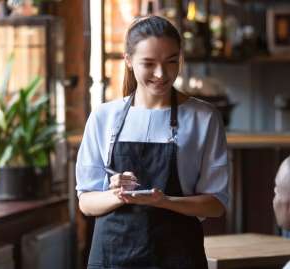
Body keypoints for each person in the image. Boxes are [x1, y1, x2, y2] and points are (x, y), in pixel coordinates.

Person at [76, 15, 228, 268]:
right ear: (128, 61)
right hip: (112, 257)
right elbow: (86, 202)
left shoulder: (204, 117)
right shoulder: (104, 117)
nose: (161, 73)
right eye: (148, 63)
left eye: (171, 62)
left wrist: (165, 202)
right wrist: (117, 195)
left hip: (177, 256)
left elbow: (215, 204)